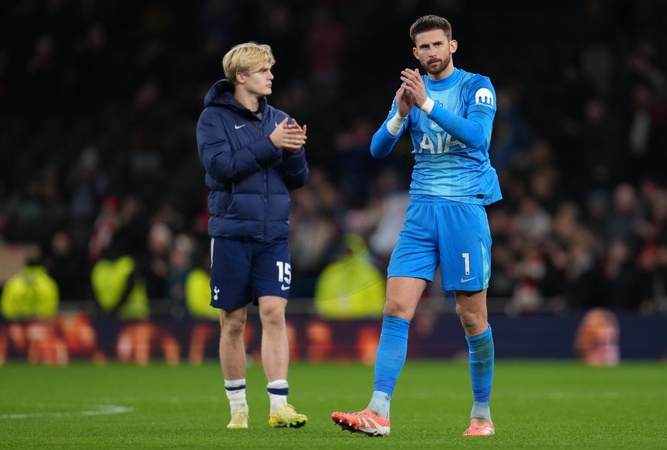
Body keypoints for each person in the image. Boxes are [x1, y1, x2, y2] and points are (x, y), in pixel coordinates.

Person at [331, 15, 501, 437]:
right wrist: (400, 115)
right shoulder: (412, 91)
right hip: (421, 212)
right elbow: (377, 149)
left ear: (452, 46)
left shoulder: (477, 86)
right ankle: (378, 411)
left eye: (438, 44)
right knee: (395, 308)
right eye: (424, 47)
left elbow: (478, 136)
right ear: (415, 53)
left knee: (471, 317)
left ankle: (482, 415)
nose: (432, 53)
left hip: (464, 209)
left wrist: (426, 105)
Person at [196, 42, 309, 430]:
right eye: (263, 70)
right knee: (233, 321)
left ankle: (279, 405)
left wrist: (295, 152)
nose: (271, 76)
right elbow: (220, 167)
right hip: (231, 232)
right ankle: (238, 408)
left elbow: (297, 178)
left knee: (274, 313)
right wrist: (272, 144)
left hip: (273, 234)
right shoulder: (213, 119)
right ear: (241, 77)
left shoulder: (280, 118)